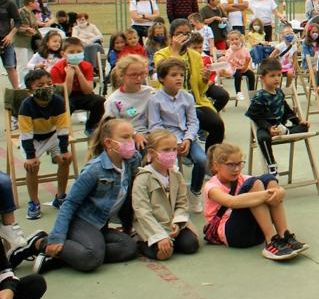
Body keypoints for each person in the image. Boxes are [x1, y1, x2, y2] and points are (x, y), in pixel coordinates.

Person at [27, 117, 140, 274]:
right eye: (125, 137)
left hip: (101, 223)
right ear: (108, 143)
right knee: (91, 258)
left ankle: (65, 257)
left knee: (129, 247)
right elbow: (70, 203)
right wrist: (57, 237)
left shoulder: (131, 160)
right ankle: (40, 242)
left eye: (132, 136)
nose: (131, 142)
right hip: (82, 221)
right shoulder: (94, 170)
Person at [203, 142, 305, 261]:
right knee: (254, 184)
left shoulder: (242, 178)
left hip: (255, 233)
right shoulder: (211, 187)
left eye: (239, 164)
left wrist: (280, 191)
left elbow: (271, 188)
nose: (236, 169)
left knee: (267, 179)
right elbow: (231, 202)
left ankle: (283, 235)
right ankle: (271, 240)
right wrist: (269, 194)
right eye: (230, 165)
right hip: (233, 235)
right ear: (216, 165)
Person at [152, 19, 227, 151]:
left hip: (194, 101)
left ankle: (210, 159)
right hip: (170, 104)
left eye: (187, 34)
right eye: (179, 33)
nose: (183, 37)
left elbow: (200, 89)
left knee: (217, 125)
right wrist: (175, 51)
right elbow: (164, 72)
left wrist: (204, 79)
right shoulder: (160, 54)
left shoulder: (195, 56)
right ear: (171, 36)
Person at [147, 57, 207, 213]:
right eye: (173, 75)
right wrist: (174, 142)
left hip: (186, 137)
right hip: (166, 140)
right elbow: (155, 126)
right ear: (161, 78)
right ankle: (174, 201)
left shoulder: (187, 97)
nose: (179, 78)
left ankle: (195, 193)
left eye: (181, 74)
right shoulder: (154, 100)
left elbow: (193, 122)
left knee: (202, 160)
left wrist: (187, 139)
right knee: (172, 168)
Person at [131, 129, 200, 260]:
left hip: (171, 223)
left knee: (191, 245)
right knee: (163, 253)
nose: (172, 154)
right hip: (151, 226)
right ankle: (142, 243)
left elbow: (182, 203)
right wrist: (159, 235)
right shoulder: (143, 178)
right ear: (152, 153)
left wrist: (177, 223)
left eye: (174, 149)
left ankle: (169, 240)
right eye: (166, 150)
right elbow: (142, 211)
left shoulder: (176, 175)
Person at [18, 69, 73, 220]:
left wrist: (64, 150)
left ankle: (60, 197)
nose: (47, 87)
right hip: (33, 140)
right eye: (40, 85)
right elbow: (26, 134)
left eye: (49, 83)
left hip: (52, 136)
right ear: (30, 90)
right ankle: (34, 202)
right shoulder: (26, 106)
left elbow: (62, 128)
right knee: (32, 166)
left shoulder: (58, 101)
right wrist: (30, 156)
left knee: (64, 159)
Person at [245, 59, 310, 175]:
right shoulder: (260, 96)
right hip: (265, 127)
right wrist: (269, 128)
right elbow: (255, 116)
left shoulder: (279, 92)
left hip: (281, 126)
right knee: (262, 138)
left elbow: (286, 110)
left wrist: (298, 121)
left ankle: (285, 131)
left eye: (279, 75)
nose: (276, 78)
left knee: (304, 128)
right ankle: (271, 164)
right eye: (272, 76)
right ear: (262, 78)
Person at [50, 37, 106, 136]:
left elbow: (88, 91)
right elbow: (65, 93)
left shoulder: (87, 66)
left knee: (100, 101)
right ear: (63, 54)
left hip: (83, 95)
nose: (75, 54)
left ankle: (91, 127)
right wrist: (69, 75)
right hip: (66, 96)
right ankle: (62, 131)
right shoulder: (56, 69)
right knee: (64, 105)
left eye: (79, 51)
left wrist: (79, 73)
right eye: (71, 52)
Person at [105, 54, 154, 149]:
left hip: (153, 132)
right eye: (133, 75)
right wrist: (134, 134)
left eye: (142, 73)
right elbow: (111, 125)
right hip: (128, 136)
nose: (139, 78)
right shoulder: (114, 100)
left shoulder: (151, 92)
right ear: (122, 75)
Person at [12, 0, 39, 85]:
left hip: (30, 43)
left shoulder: (31, 14)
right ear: (31, 3)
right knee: (22, 65)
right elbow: (14, 26)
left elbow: (35, 28)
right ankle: (21, 85)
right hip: (21, 42)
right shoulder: (20, 12)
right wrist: (26, 29)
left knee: (29, 64)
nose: (37, 3)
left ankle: (29, 84)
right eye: (36, 1)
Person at [221, 31, 254, 100]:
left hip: (243, 67)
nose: (234, 41)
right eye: (232, 40)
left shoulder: (244, 49)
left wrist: (245, 66)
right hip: (234, 69)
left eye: (236, 39)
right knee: (238, 75)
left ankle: (251, 92)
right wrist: (233, 51)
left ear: (240, 39)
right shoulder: (229, 50)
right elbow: (227, 61)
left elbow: (248, 58)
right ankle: (238, 92)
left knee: (251, 75)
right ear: (229, 41)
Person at [0, 0, 23, 90]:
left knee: (10, 66)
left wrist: (11, 35)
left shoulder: (9, 3)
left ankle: (17, 92)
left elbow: (18, 21)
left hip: (6, 41)